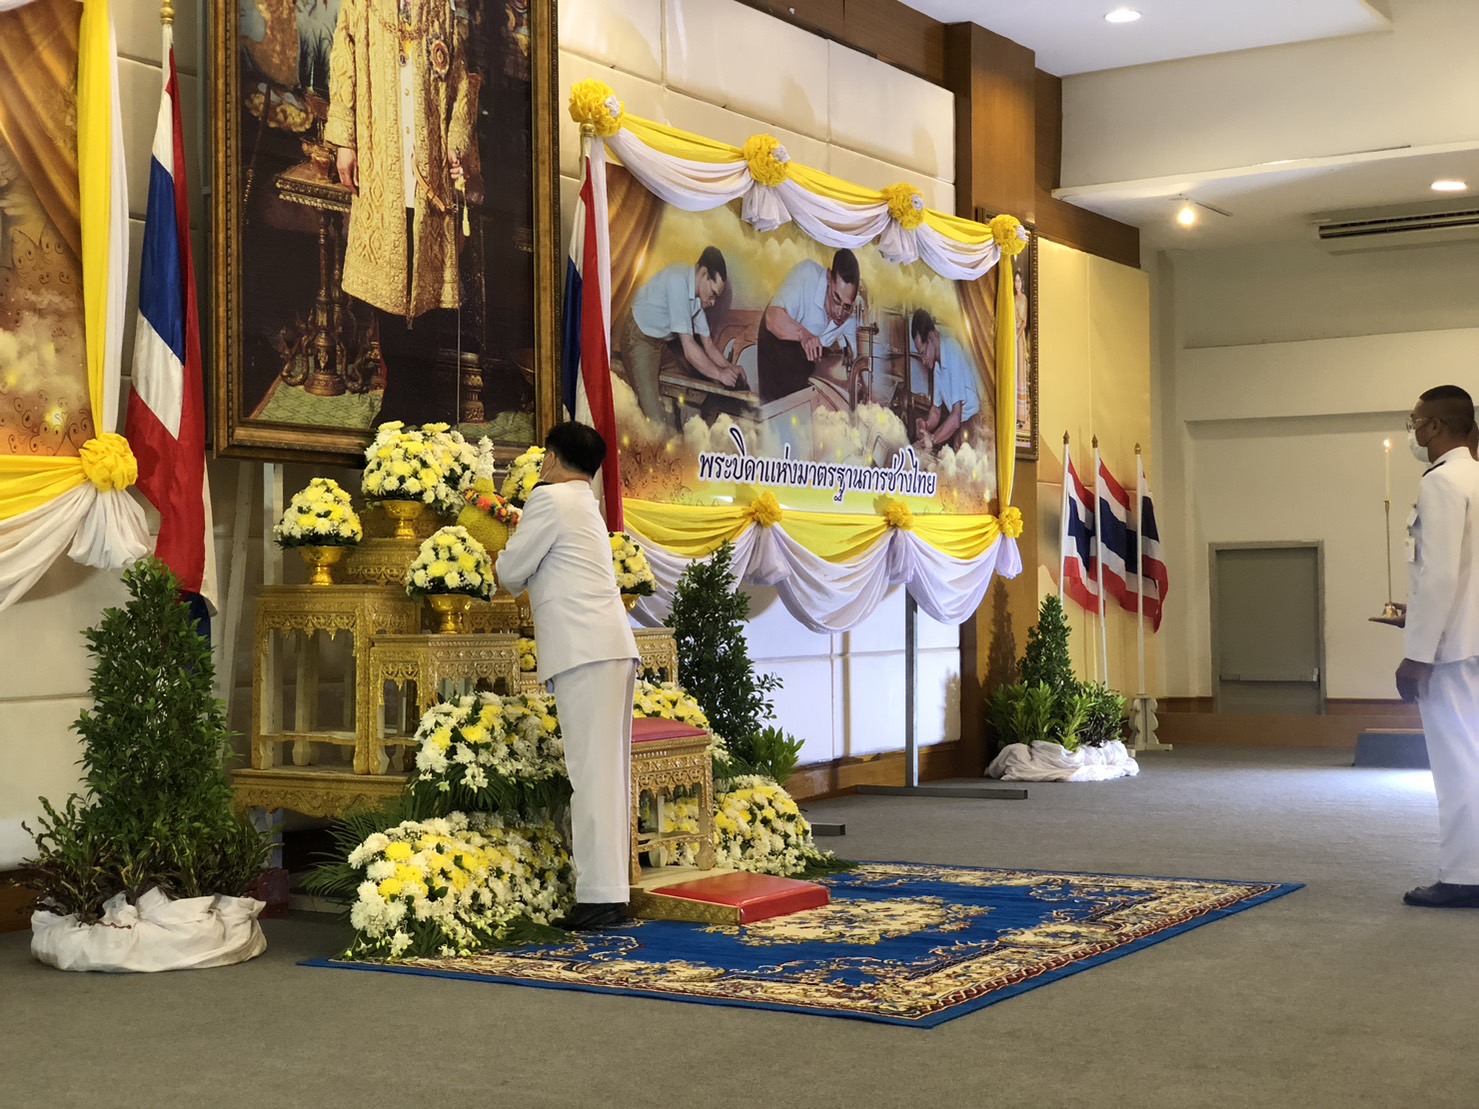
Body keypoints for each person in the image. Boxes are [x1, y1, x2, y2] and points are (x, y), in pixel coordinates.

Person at [494, 422, 639, 929]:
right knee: (607, 773)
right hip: (608, 647)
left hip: (585, 651)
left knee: (591, 774)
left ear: (552, 459)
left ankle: (600, 899)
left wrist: (498, 545)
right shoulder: (584, 502)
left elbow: (511, 572)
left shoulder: (550, 499)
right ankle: (609, 892)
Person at [325, 0, 482, 424]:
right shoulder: (362, 6)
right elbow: (344, 66)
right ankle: (396, 399)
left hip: (431, 175)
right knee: (392, 287)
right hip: (383, 168)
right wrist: (345, 141)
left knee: (428, 288)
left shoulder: (441, 10)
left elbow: (461, 85)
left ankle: (423, 397)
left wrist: (456, 146)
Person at [1395, 384, 1479, 909]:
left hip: (1455, 649)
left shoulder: (1444, 480)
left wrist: (1417, 653)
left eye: (1416, 420)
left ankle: (1465, 876)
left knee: (1458, 762)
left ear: (1436, 426)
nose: (1414, 430)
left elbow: (1441, 573)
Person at [620, 246, 744, 425]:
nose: (713, 302)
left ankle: (677, 429)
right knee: (655, 420)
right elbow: (689, 349)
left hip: (660, 344)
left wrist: (730, 368)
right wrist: (719, 374)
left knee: (691, 390)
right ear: (704, 274)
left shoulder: (697, 299)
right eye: (713, 294)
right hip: (639, 338)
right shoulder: (678, 281)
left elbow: (708, 344)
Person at [757, 248, 860, 403]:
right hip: (777, 349)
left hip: (805, 365)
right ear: (829, 277)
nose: (840, 313)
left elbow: (855, 358)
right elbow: (772, 317)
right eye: (836, 299)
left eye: (846, 306)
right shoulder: (806, 274)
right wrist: (803, 335)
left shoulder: (849, 317)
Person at [910, 309, 982, 452]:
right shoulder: (937, 364)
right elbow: (936, 411)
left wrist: (933, 439)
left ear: (931, 338)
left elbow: (955, 418)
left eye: (923, 353)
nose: (923, 361)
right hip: (959, 424)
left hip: (971, 425)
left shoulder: (952, 349)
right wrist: (926, 424)